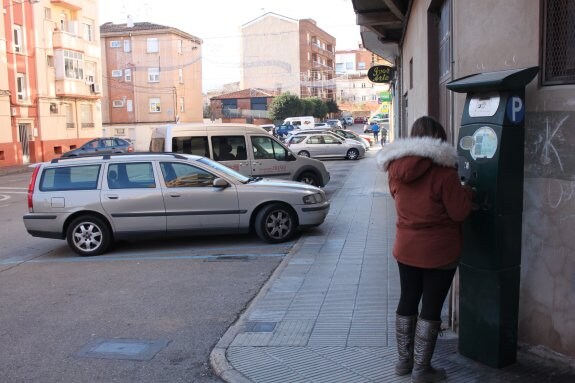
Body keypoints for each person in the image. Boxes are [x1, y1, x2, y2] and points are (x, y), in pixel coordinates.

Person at [377, 116, 473, 383]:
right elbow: (459, 212)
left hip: (405, 247)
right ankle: (422, 369)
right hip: (439, 251)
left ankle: (403, 363)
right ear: (438, 139)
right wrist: (469, 194)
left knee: (408, 299)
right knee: (431, 306)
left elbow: (400, 199)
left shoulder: (395, 168)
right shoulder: (445, 173)